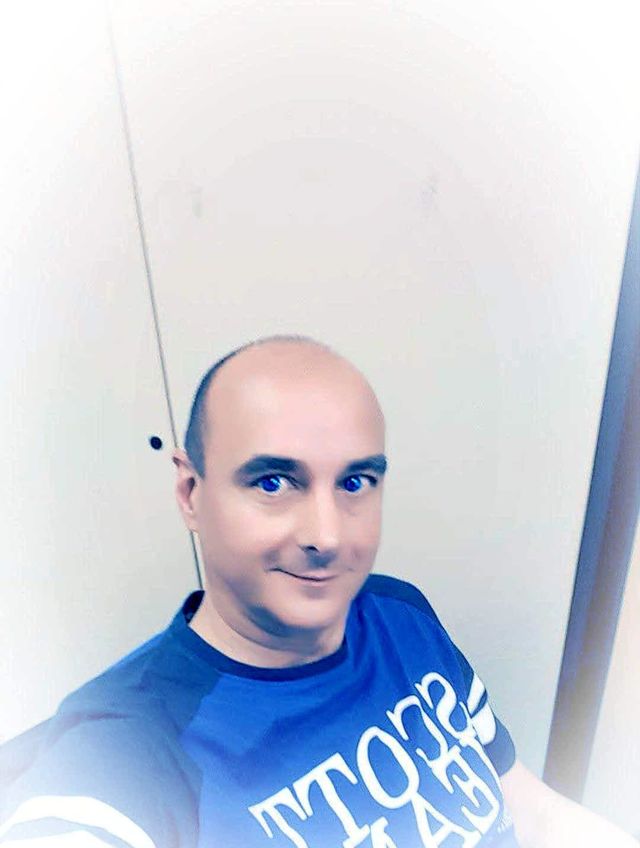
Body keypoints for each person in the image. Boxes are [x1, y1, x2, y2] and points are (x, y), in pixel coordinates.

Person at [0, 334, 636, 848]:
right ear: (191, 493)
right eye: (274, 482)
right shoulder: (126, 750)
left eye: (355, 483)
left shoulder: (400, 613)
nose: (327, 536)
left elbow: (526, 806)